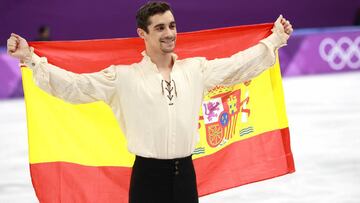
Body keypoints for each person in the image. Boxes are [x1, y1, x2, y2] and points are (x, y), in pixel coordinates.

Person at [7, 1, 293, 203]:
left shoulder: (196, 70)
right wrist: (30, 59)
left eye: (171, 25)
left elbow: (237, 65)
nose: (169, 33)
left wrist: (275, 40)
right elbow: (74, 87)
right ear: (142, 34)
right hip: (147, 178)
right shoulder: (122, 77)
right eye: (159, 28)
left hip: (185, 176)